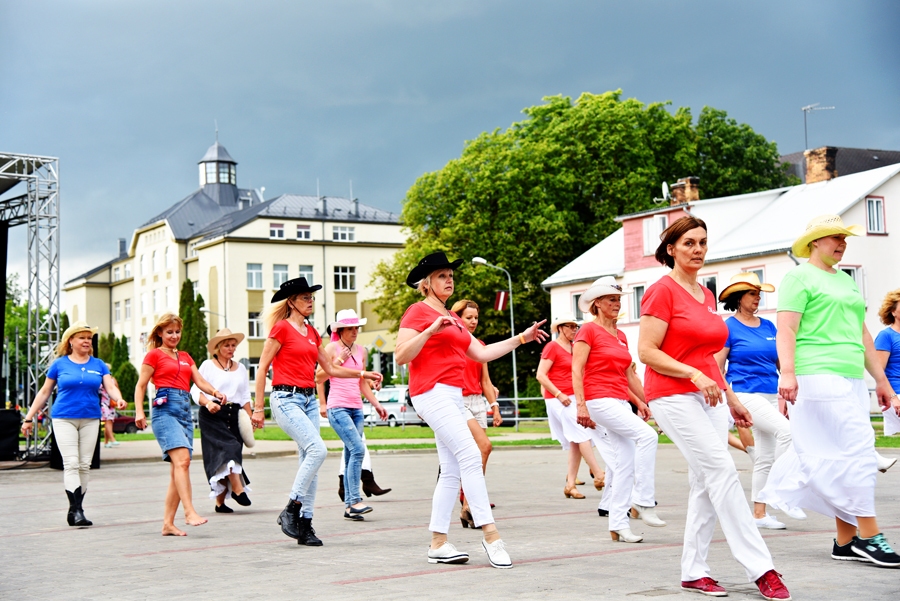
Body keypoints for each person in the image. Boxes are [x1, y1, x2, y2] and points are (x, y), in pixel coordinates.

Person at [637, 216, 791, 600]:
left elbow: (707, 356)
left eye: (703, 242)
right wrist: (693, 374)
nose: (698, 249)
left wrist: (732, 398)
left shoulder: (705, 294)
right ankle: (762, 567)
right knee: (721, 470)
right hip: (671, 395)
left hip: (709, 394)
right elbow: (647, 352)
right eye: (689, 243)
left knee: (705, 482)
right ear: (671, 249)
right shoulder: (661, 291)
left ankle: (693, 571)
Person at [760, 214, 900, 568]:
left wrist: (881, 383)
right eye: (834, 237)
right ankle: (869, 536)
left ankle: (845, 540)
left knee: (843, 455)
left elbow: (863, 334)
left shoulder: (847, 281)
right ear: (814, 242)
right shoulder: (798, 277)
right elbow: (787, 330)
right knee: (859, 452)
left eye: (844, 238)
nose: (841, 243)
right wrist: (787, 374)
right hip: (816, 375)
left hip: (851, 376)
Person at [395, 251, 547, 569]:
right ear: (426, 283)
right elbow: (400, 356)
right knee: (470, 453)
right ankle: (491, 535)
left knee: (451, 470)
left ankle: (438, 543)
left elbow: (481, 353)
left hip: (454, 396)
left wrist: (522, 338)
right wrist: (430, 330)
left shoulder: (455, 320)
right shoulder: (418, 312)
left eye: (450, 275)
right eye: (441, 275)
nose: (449, 279)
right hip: (429, 392)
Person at [252, 278, 383, 546]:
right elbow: (262, 368)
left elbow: (330, 370)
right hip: (285, 398)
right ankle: (291, 508)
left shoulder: (311, 333)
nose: (310, 301)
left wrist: (362, 373)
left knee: (309, 462)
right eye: (304, 297)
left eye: (311, 297)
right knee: (318, 450)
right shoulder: (280, 330)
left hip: (309, 399)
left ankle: (305, 524)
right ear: (291, 302)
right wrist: (257, 408)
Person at [572, 279, 664, 543]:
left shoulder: (621, 336)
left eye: (618, 299)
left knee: (624, 463)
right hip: (598, 400)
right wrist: (581, 405)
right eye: (611, 299)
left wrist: (648, 401)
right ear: (596, 304)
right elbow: (576, 369)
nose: (617, 303)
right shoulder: (587, 331)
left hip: (620, 400)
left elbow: (629, 377)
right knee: (648, 437)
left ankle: (618, 524)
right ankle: (644, 501)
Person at [714, 273, 806, 530]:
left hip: (768, 394)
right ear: (739, 298)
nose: (758, 298)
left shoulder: (768, 327)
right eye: (752, 294)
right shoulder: (728, 327)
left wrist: (785, 394)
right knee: (788, 433)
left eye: (759, 294)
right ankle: (780, 490)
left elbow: (781, 363)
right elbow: (717, 368)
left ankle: (759, 514)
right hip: (744, 394)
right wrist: (731, 402)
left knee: (765, 456)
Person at [21, 322, 127, 527]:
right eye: (82, 337)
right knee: (71, 462)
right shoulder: (60, 364)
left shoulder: (99, 364)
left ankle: (74, 510)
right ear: (71, 341)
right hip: (64, 418)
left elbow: (110, 386)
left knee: (85, 465)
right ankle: (78, 510)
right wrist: (29, 418)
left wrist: (119, 398)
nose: (87, 341)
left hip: (91, 418)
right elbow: (44, 392)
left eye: (89, 338)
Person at [134, 313, 226, 537]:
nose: (174, 336)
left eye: (177, 332)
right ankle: (189, 511)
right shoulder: (153, 355)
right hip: (165, 410)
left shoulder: (185, 356)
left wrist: (214, 392)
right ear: (160, 333)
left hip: (184, 411)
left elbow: (199, 381)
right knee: (183, 462)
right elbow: (141, 385)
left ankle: (167, 524)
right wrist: (139, 412)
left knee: (178, 468)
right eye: (169, 332)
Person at [319, 309, 388, 521]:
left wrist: (376, 404)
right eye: (350, 328)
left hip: (356, 408)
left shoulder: (361, 351)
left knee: (351, 454)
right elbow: (319, 376)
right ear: (339, 330)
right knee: (358, 449)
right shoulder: (331, 348)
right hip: (337, 407)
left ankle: (350, 507)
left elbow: (361, 382)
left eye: (357, 327)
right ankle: (355, 500)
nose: (355, 331)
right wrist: (338, 359)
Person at [535, 313, 606, 499]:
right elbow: (541, 375)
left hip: (575, 396)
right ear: (560, 328)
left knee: (576, 441)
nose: (574, 330)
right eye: (570, 326)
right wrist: (558, 394)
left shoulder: (576, 348)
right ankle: (598, 473)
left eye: (576, 327)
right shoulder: (552, 347)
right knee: (582, 433)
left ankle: (570, 485)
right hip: (558, 398)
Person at [450, 298, 501, 526]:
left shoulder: (479, 345)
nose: (473, 321)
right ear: (457, 317)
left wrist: (494, 407)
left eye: (475, 318)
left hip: (478, 401)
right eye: (468, 317)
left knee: (479, 453)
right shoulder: (452, 342)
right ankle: (470, 501)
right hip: (458, 401)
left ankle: (467, 504)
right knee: (483, 446)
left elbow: (486, 380)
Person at [191, 328, 253, 514]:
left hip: (234, 414)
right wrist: (208, 403)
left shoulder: (240, 368)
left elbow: (244, 395)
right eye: (226, 345)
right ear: (217, 348)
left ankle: (219, 503)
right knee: (230, 449)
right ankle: (238, 488)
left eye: (233, 345)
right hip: (212, 414)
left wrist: (251, 418)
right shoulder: (207, 366)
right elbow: (196, 390)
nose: (231, 348)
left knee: (225, 457)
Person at [315, 376, 392, 502]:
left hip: (354, 406)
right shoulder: (335, 356)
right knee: (357, 446)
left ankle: (348, 488)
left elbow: (359, 377)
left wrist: (372, 383)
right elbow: (320, 378)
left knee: (353, 447)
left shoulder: (358, 356)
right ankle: (363, 484)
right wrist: (323, 404)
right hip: (338, 407)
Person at [872, 288, 900, 473]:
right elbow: (878, 371)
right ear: (893, 310)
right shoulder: (886, 336)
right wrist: (893, 398)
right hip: (896, 391)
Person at [100, 371, 120, 448]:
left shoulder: (112, 379)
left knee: (110, 421)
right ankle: (112, 439)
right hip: (103, 402)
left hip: (111, 403)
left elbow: (116, 389)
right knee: (108, 420)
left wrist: (118, 399)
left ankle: (106, 442)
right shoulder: (100, 380)